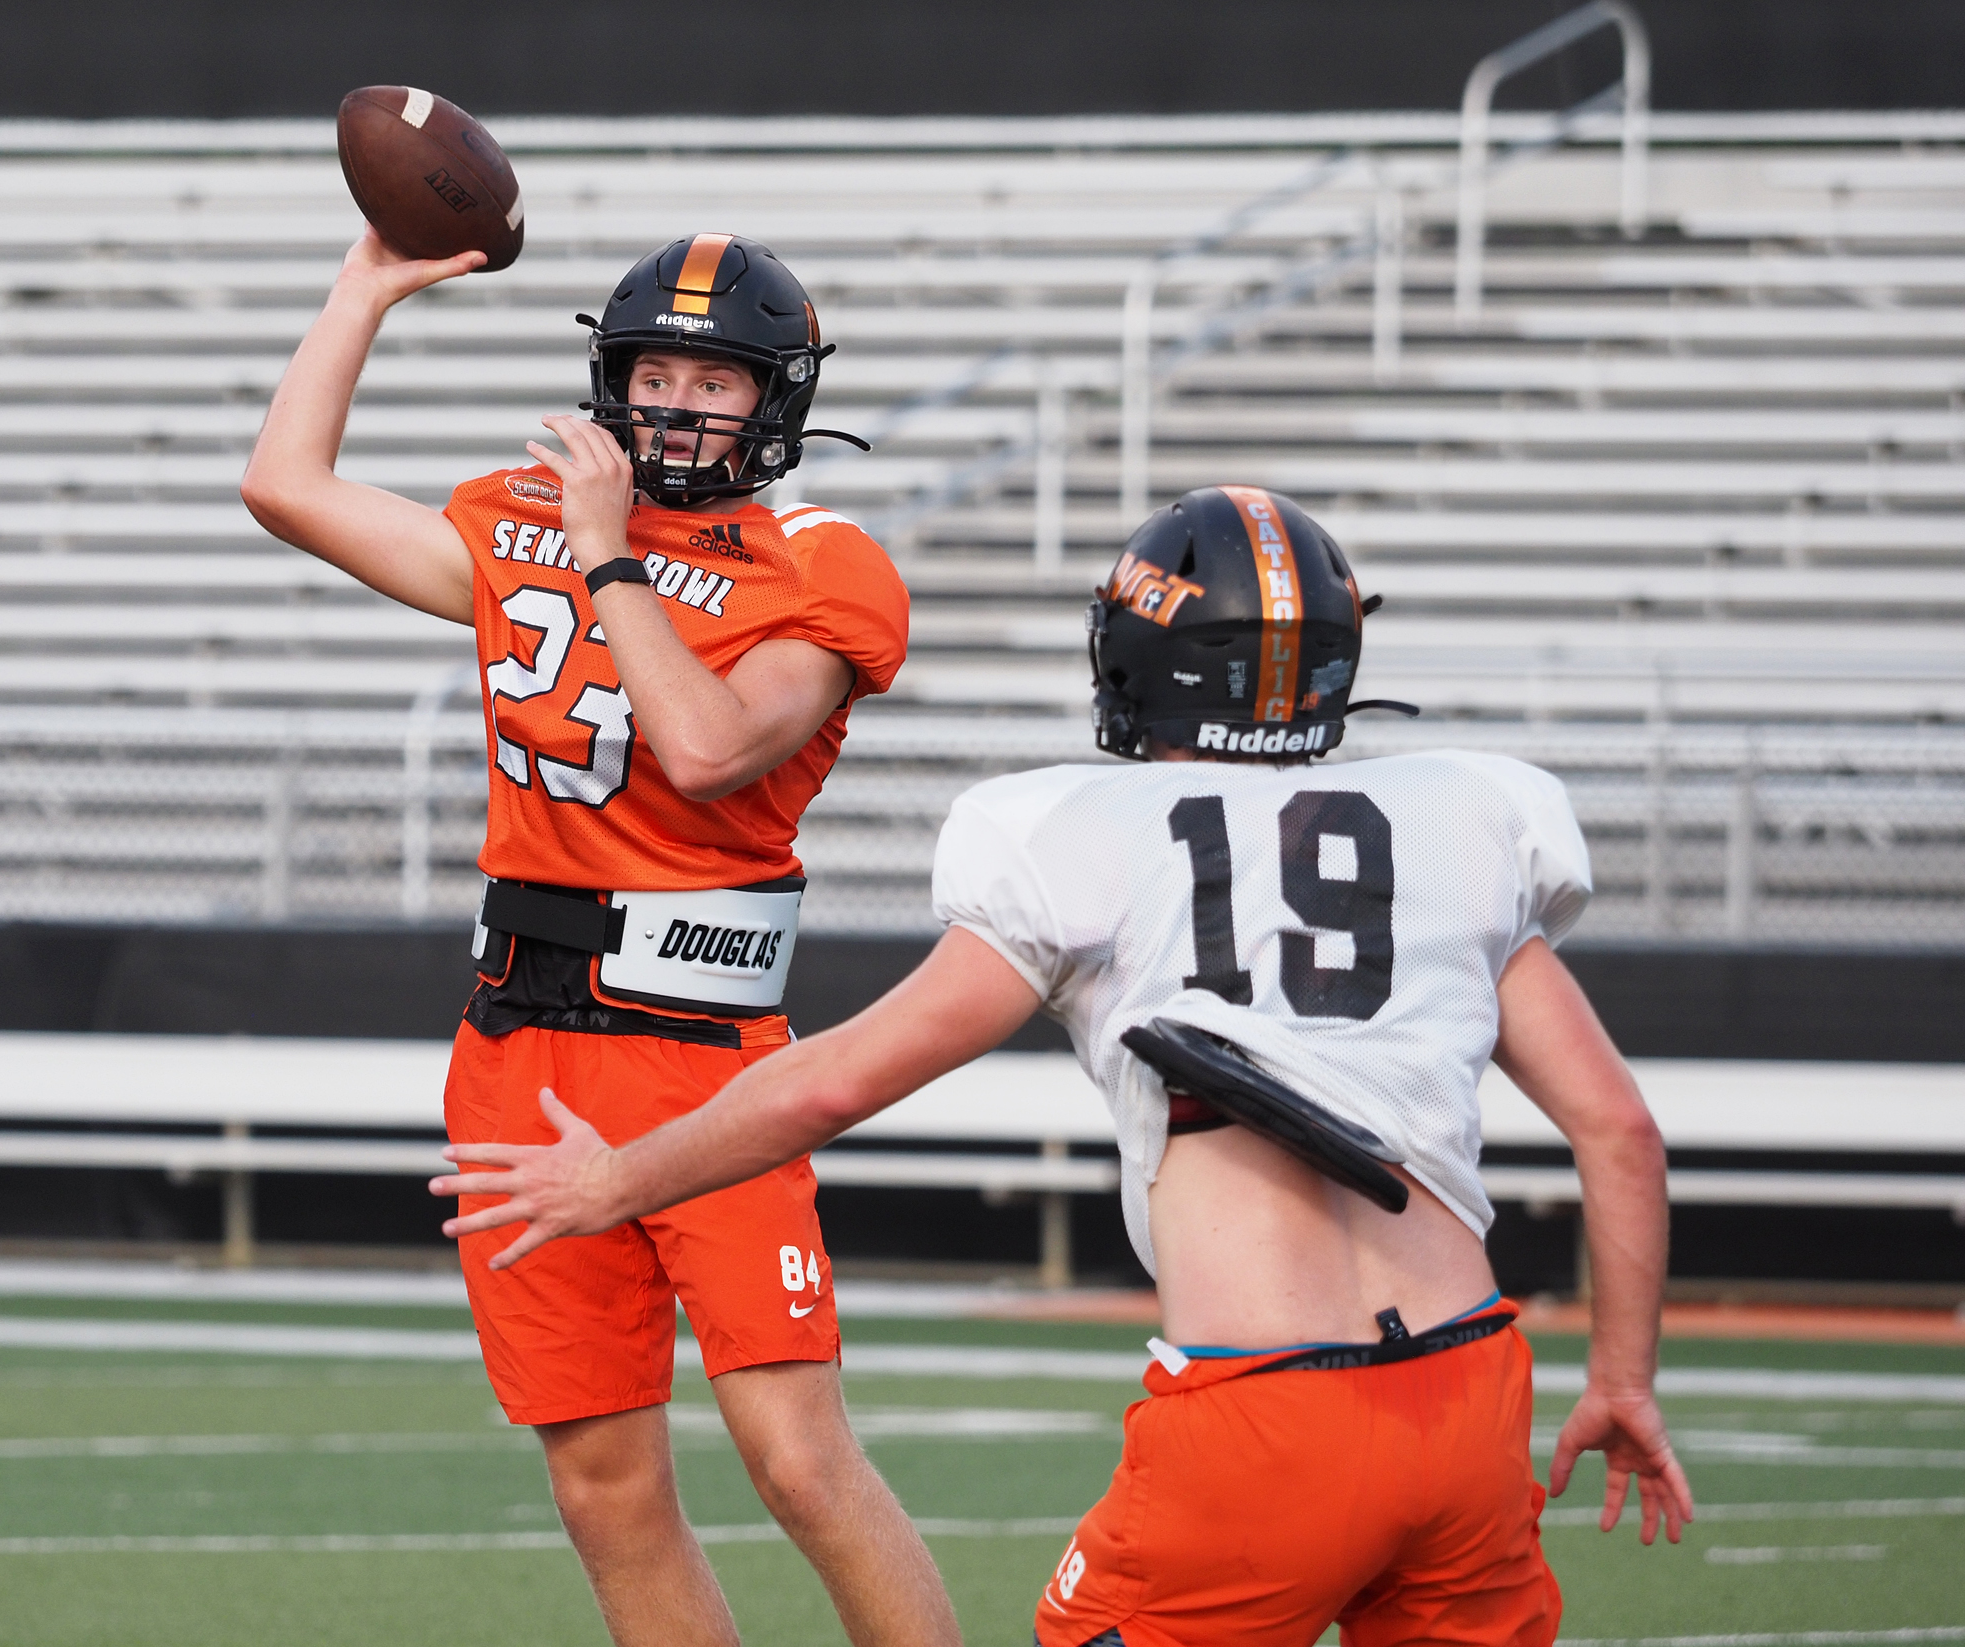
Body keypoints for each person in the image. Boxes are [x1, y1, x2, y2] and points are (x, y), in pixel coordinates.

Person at [431, 485, 1698, 1647]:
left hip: (1261, 1410)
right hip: (1470, 1391)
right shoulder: (1461, 819)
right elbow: (1618, 1129)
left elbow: (828, 1084)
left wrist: (616, 1183)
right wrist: (1625, 1382)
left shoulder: (1075, 834)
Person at [242, 228, 962, 1647]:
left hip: (708, 1060)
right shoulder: (517, 515)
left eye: (718, 375)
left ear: (779, 400)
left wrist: (605, 552)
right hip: (519, 1048)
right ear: (609, 378)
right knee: (603, 1486)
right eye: (655, 368)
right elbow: (285, 486)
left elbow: (706, 749)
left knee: (799, 1459)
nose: (681, 400)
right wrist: (363, 290)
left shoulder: (825, 562)